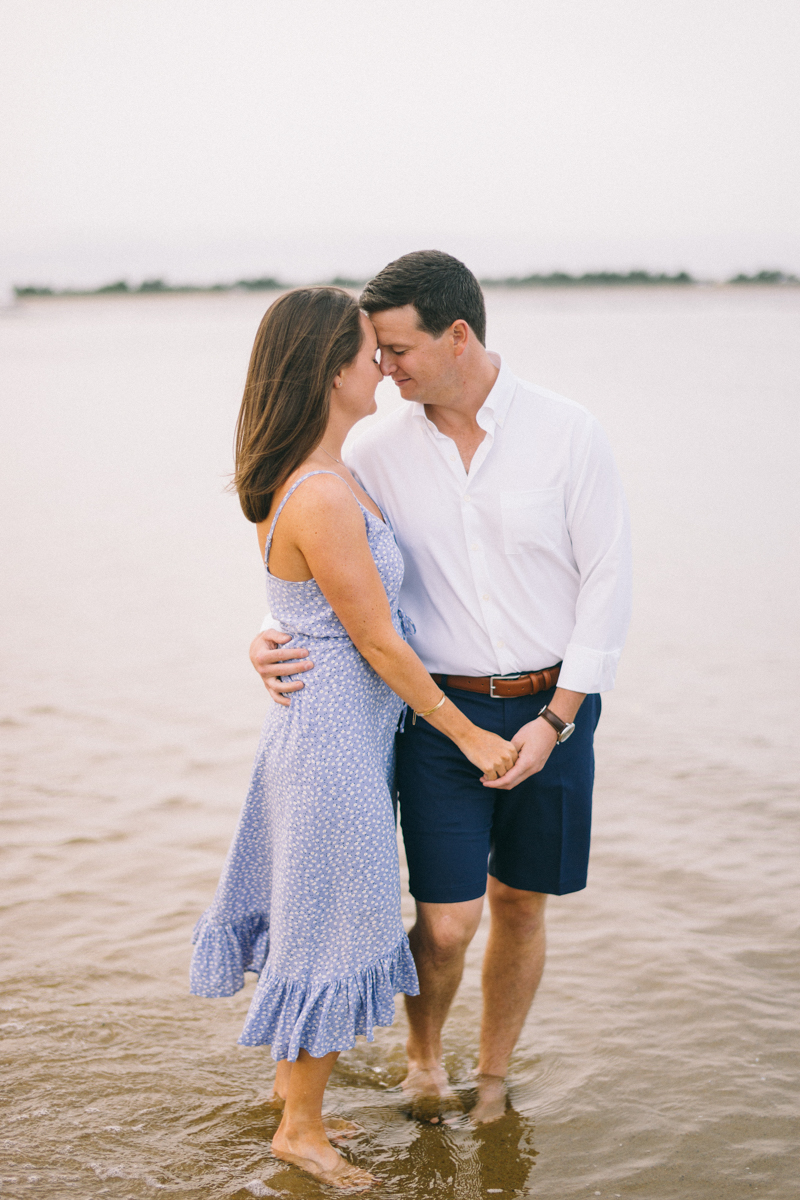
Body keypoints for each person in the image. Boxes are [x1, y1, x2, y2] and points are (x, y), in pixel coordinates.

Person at [251, 251, 633, 1125]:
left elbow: (608, 582)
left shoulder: (568, 431)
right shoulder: (374, 447)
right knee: (449, 922)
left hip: (555, 707)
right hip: (436, 716)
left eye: (397, 350)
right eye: (373, 354)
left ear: (458, 336)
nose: (383, 370)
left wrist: (558, 721)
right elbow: (317, 551)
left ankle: (493, 1081)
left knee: (522, 905)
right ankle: (424, 1063)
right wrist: (270, 632)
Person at [190, 285, 518, 1190]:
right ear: (330, 369)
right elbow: (375, 640)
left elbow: (304, 609)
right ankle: (301, 1129)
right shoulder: (324, 490)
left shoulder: (317, 472)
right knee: (332, 932)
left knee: (316, 922)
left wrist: (263, 637)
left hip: (325, 734)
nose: (382, 364)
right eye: (369, 350)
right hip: (333, 743)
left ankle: (290, 1098)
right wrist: (470, 739)